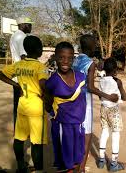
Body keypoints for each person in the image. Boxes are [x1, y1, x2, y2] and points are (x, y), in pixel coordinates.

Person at [0, 36, 48, 173]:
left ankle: (21, 165)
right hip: (36, 107)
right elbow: (43, 85)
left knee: (19, 138)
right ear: (38, 50)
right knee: (36, 142)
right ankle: (39, 170)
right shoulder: (40, 67)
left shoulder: (19, 64)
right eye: (41, 47)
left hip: (22, 105)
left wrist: (16, 85)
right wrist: (47, 96)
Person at [72, 34, 118, 172]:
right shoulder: (89, 63)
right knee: (87, 136)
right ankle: (80, 169)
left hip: (72, 100)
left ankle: (74, 164)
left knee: (75, 133)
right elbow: (91, 88)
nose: (96, 46)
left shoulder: (74, 60)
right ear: (91, 46)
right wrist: (108, 96)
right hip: (84, 101)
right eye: (95, 44)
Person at [45, 42, 87, 172]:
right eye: (61, 57)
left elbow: (83, 98)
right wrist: (54, 112)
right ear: (55, 57)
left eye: (69, 58)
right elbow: (47, 101)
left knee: (77, 156)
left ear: (73, 59)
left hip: (78, 124)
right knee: (65, 158)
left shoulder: (81, 76)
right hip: (63, 125)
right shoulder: (52, 81)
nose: (65, 61)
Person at [97, 57, 126, 172]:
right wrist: (120, 88)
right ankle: (114, 163)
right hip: (113, 110)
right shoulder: (117, 81)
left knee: (104, 131)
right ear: (115, 69)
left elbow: (100, 96)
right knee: (115, 134)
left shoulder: (101, 80)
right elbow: (125, 98)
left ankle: (101, 160)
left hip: (103, 108)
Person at [10, 17, 33, 128]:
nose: (31, 27)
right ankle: (21, 133)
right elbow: (24, 57)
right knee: (24, 106)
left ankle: (18, 132)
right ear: (23, 25)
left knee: (17, 105)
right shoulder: (22, 37)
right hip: (23, 76)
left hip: (16, 75)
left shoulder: (14, 35)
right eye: (29, 25)